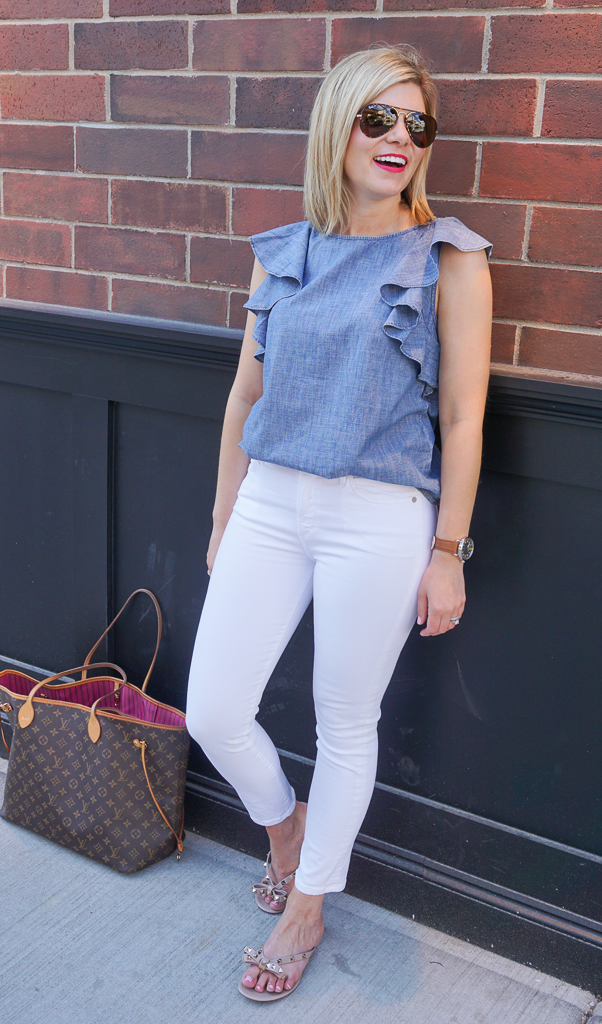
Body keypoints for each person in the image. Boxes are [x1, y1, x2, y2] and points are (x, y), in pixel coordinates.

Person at [186, 45, 493, 1002]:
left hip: (381, 516)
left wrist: (447, 552)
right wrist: (222, 515)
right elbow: (243, 398)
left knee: (344, 719)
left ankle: (310, 902)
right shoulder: (285, 250)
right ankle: (284, 826)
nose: (399, 138)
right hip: (271, 501)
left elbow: (460, 418)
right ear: (338, 124)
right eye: (378, 119)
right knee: (213, 708)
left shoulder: (447, 259)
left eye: (416, 125)